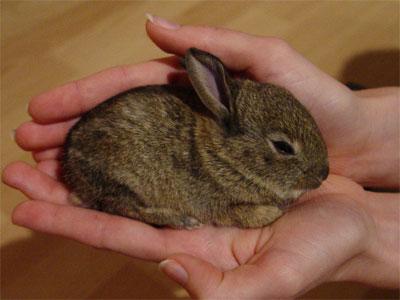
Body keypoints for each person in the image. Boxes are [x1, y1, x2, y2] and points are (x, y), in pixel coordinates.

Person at [3, 15, 399, 298]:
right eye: (282, 148)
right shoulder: (217, 163)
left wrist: (364, 132)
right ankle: (145, 209)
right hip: (107, 162)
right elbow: (237, 209)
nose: (318, 170)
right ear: (230, 131)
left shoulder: (233, 152)